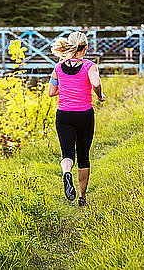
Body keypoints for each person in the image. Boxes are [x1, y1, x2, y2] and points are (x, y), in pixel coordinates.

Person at [48, 32, 105, 207]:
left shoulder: (58, 67)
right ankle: (82, 197)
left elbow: (51, 92)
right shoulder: (90, 66)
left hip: (64, 115)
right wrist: (100, 94)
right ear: (85, 48)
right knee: (83, 155)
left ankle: (66, 173)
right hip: (84, 115)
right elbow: (95, 84)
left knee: (67, 154)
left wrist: (65, 89)